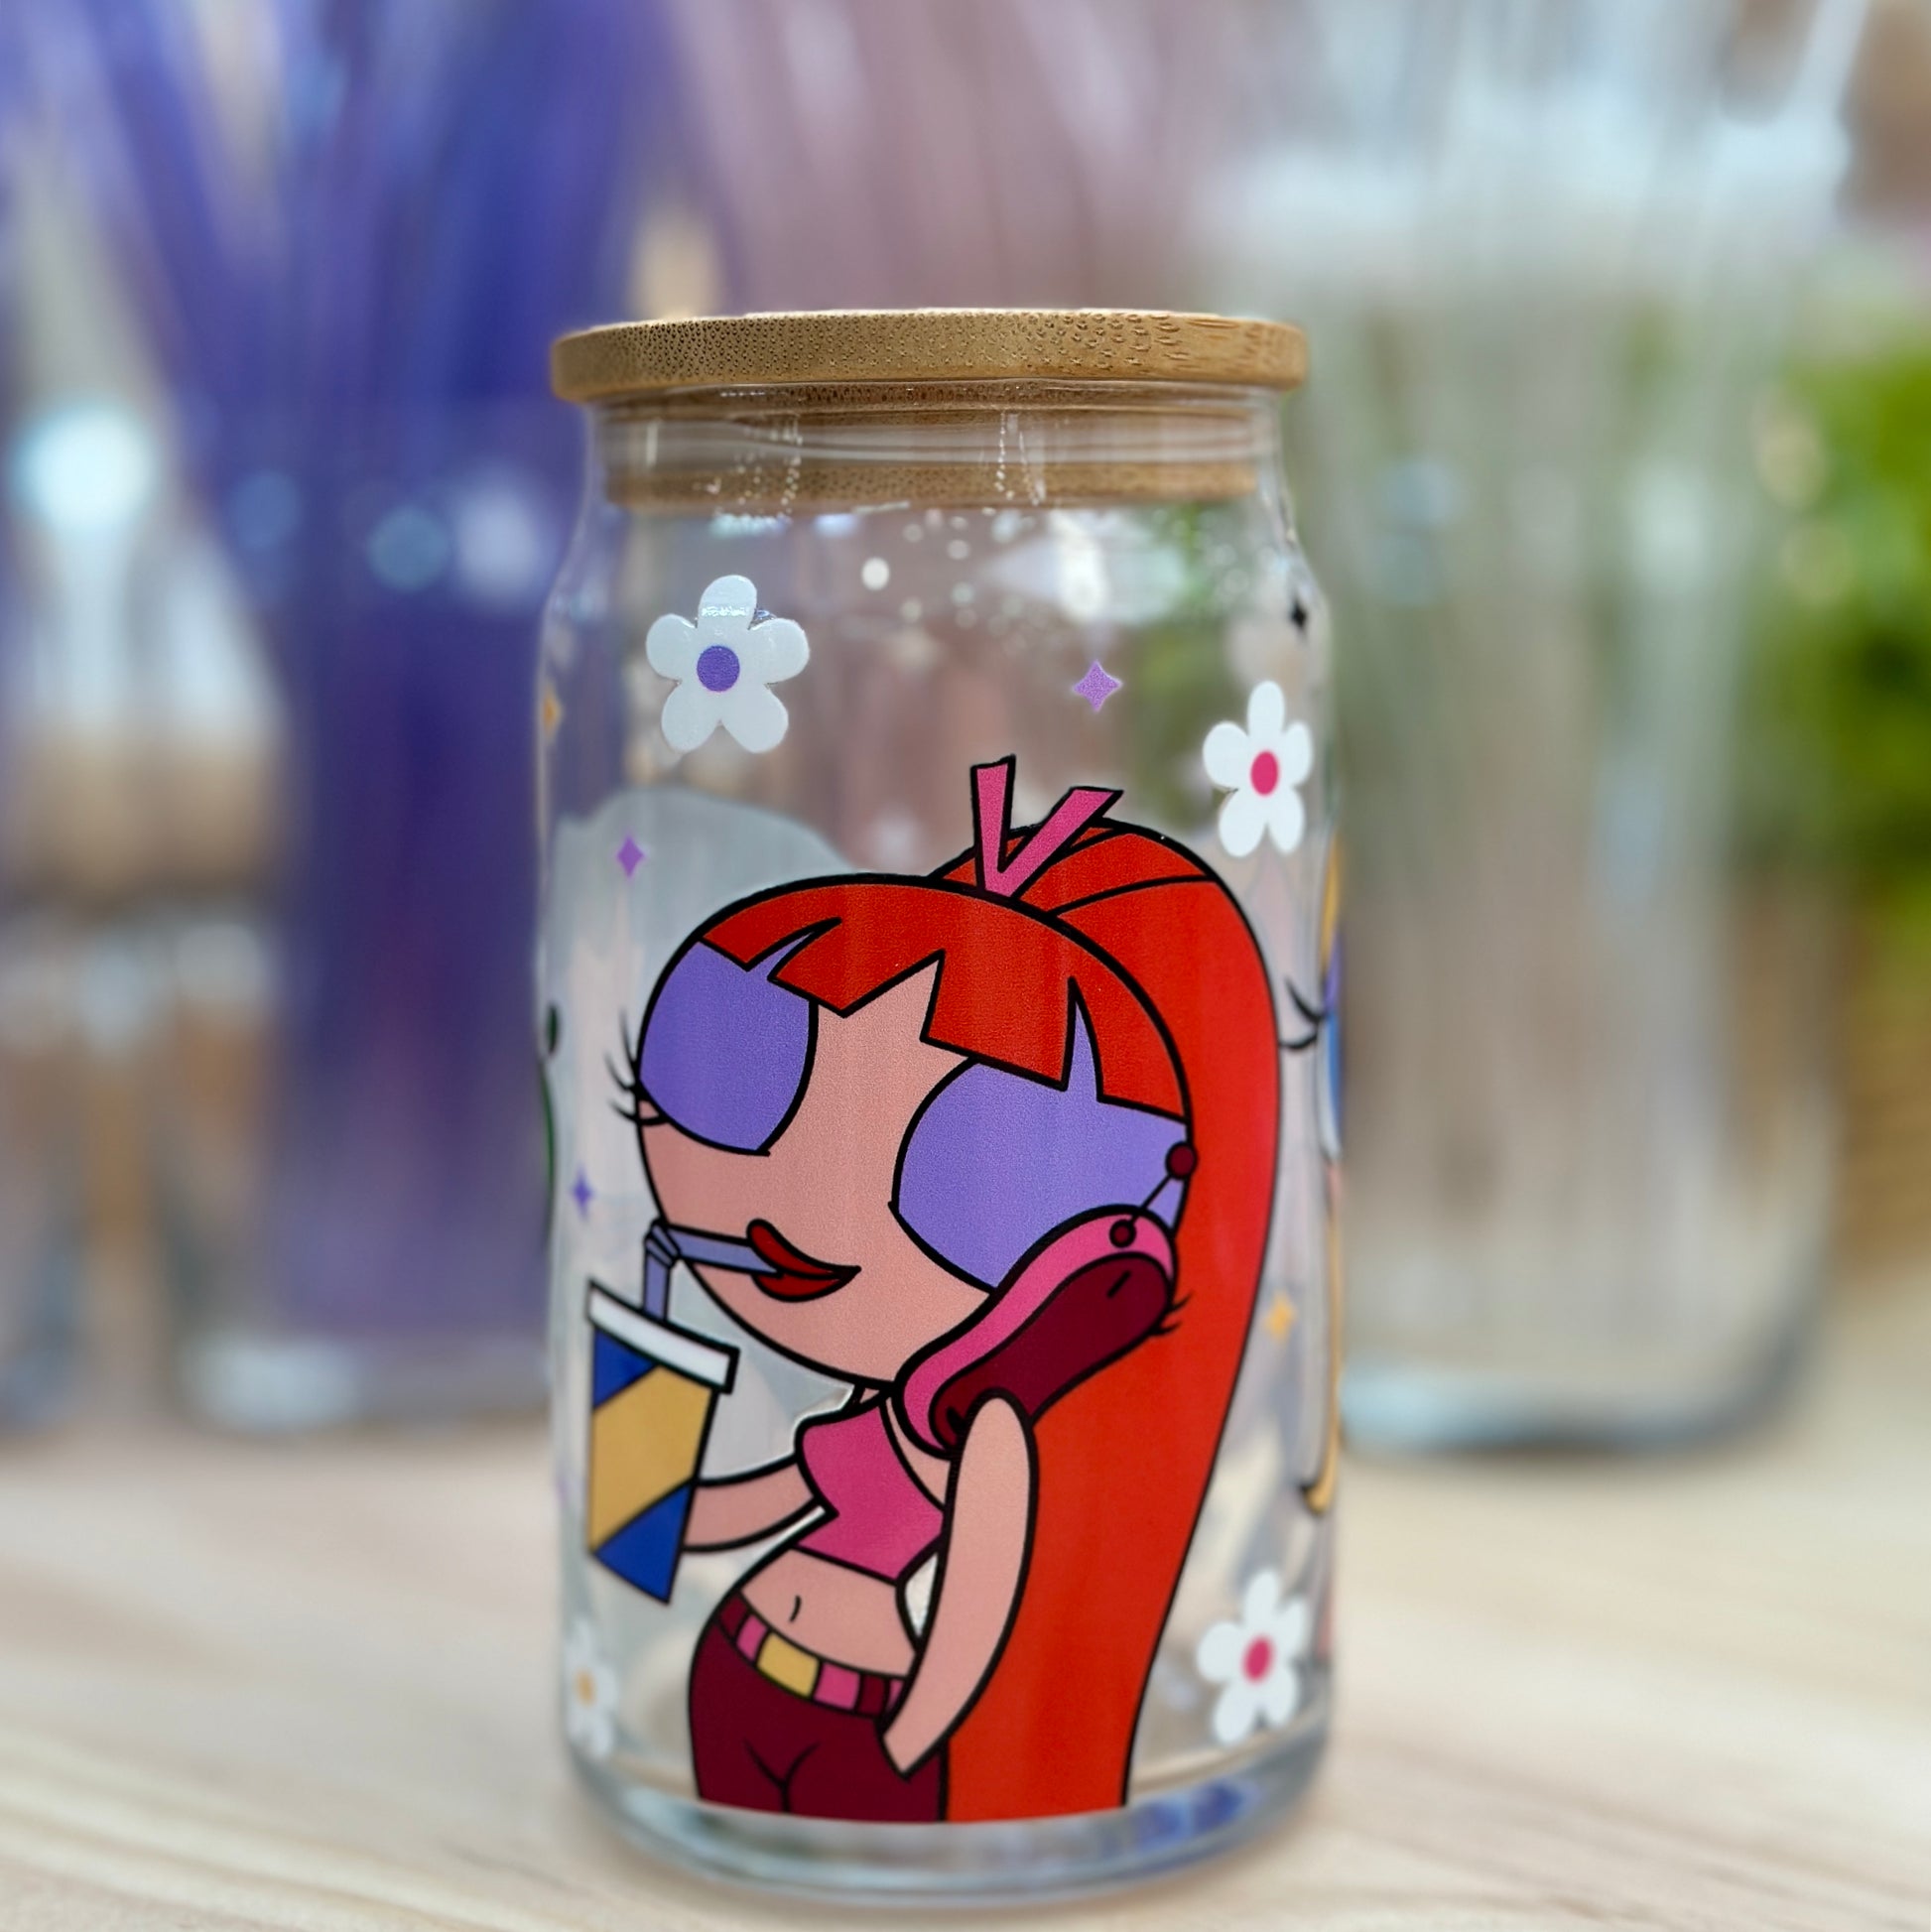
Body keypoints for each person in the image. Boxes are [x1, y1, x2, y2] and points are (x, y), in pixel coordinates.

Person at [625, 758, 1279, 1822]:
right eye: (749, 1065)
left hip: (861, 1715)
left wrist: (915, 1734)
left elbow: (974, 1605)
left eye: (969, 1165)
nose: (811, 1212)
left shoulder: (981, 1436)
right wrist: (635, 1478)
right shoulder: (864, 1418)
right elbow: (743, 1509)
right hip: (732, 1671)